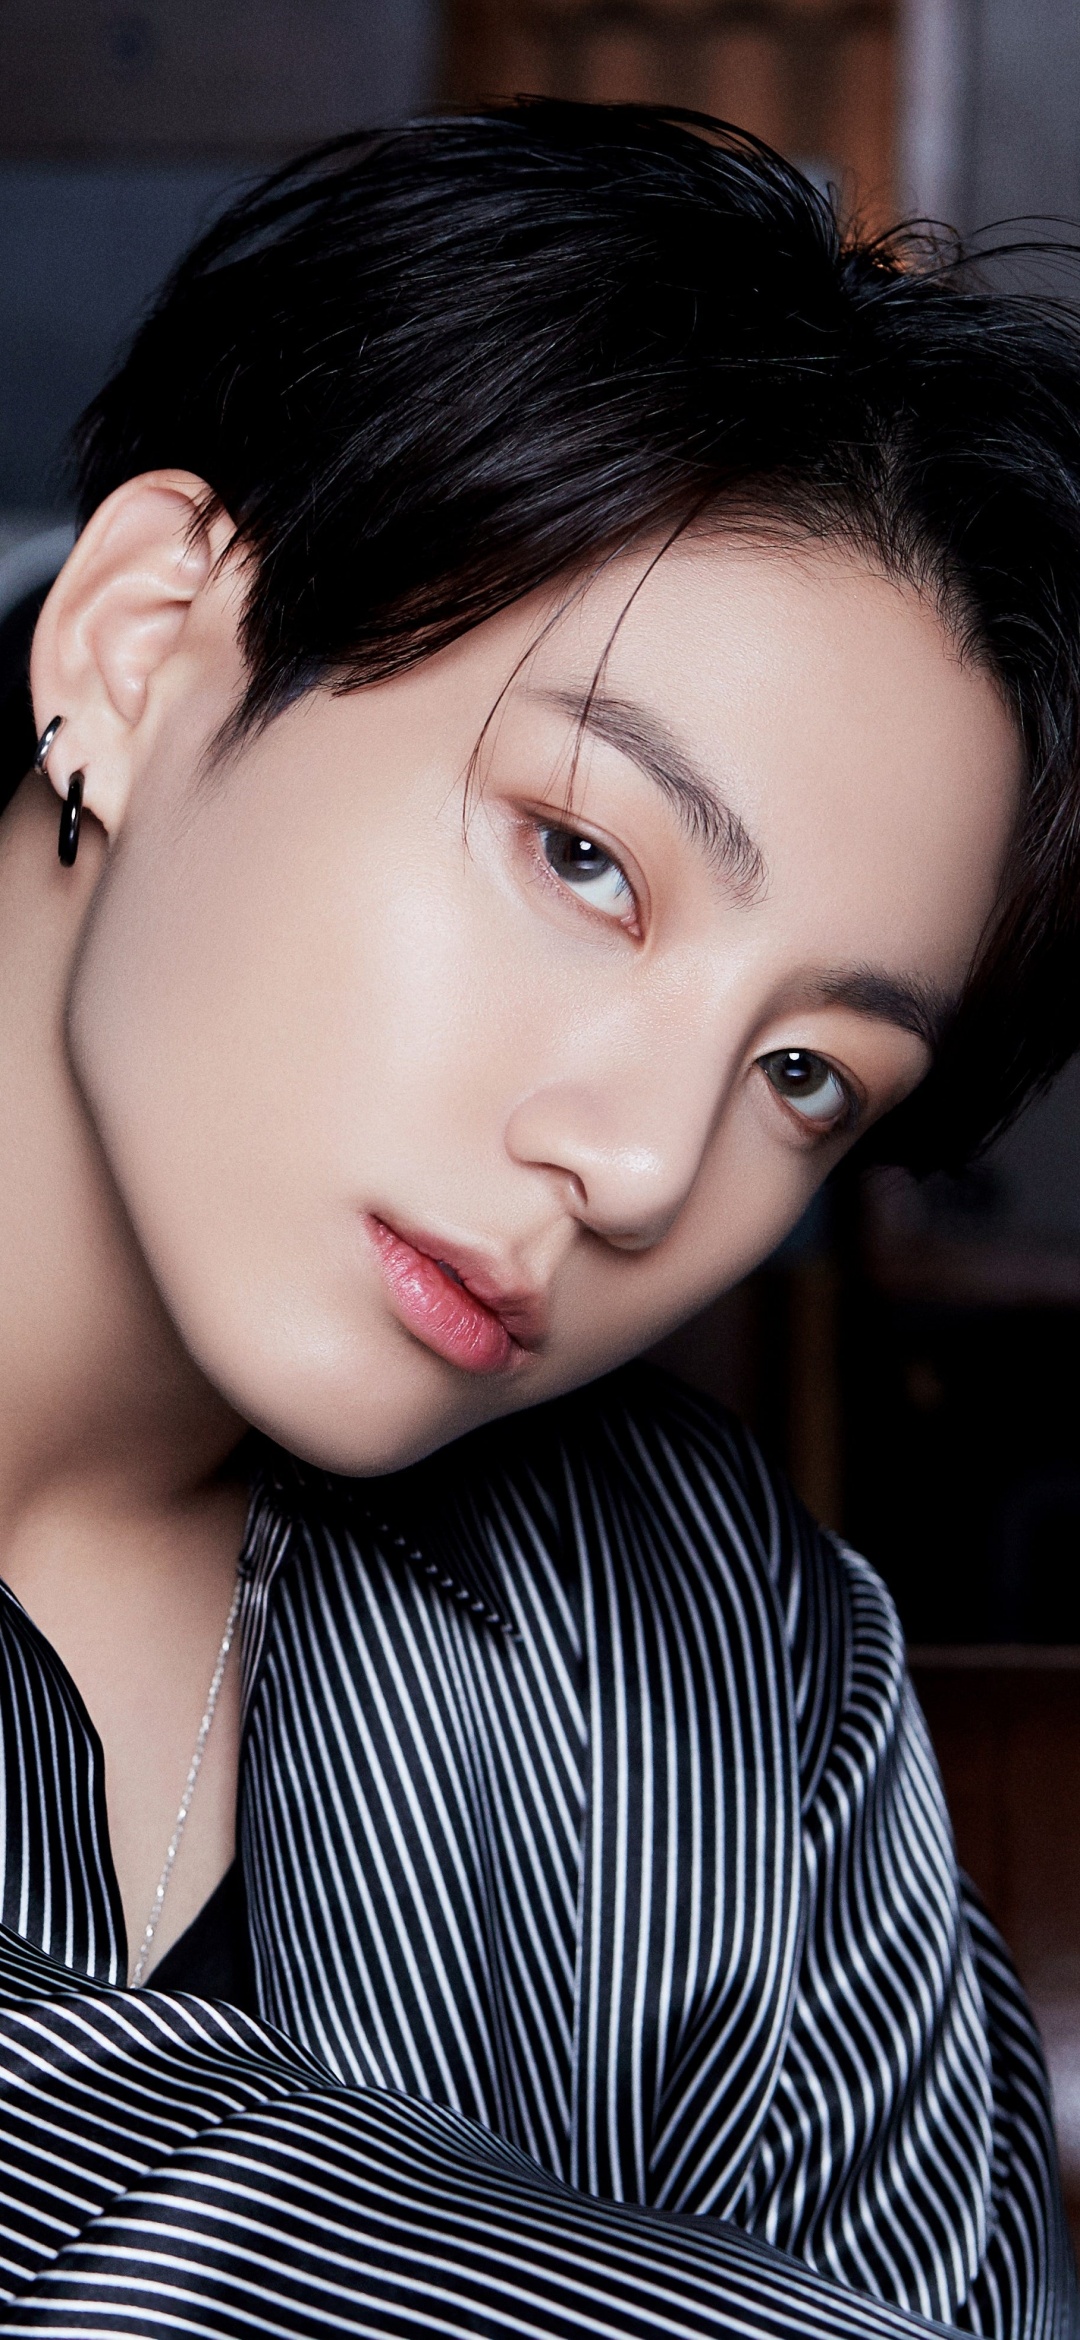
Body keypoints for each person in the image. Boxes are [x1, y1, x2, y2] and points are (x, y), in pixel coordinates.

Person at [0, 96, 1078, 2340]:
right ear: (143, 644)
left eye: (808, 1074)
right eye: (587, 858)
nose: (655, 1166)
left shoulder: (729, 1671)